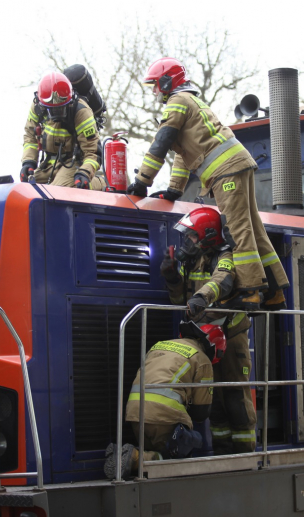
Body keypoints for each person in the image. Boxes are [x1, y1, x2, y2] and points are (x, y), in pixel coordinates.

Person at [126, 57, 289, 311]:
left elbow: (162, 142)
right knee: (254, 228)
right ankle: (276, 292)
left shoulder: (177, 102)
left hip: (225, 171)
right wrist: (174, 189)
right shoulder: (192, 102)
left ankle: (251, 292)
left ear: (168, 82)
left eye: (156, 85)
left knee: (236, 230)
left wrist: (141, 181)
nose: (156, 91)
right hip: (238, 164)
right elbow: (182, 152)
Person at [161, 207, 256, 454]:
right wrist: (172, 277)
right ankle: (223, 452)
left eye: (192, 236)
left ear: (208, 235)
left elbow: (222, 280)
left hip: (231, 337)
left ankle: (245, 455)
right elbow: (180, 300)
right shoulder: (193, 261)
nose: (187, 241)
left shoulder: (225, 255)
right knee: (214, 402)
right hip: (204, 339)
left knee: (235, 398)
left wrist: (201, 297)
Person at [104, 321, 224, 479]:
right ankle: (135, 458)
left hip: (134, 413)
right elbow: (201, 412)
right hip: (164, 417)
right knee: (185, 448)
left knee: (159, 451)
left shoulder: (160, 345)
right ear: (215, 349)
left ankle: (132, 454)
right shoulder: (202, 359)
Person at [20, 71, 105, 190]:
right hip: (48, 164)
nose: (57, 113)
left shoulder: (81, 111)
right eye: (52, 109)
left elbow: (93, 151)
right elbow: (30, 136)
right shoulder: (38, 106)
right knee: (27, 189)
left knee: (58, 191)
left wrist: (85, 172)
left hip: (73, 163)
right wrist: (28, 162)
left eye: (61, 108)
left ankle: (99, 183)